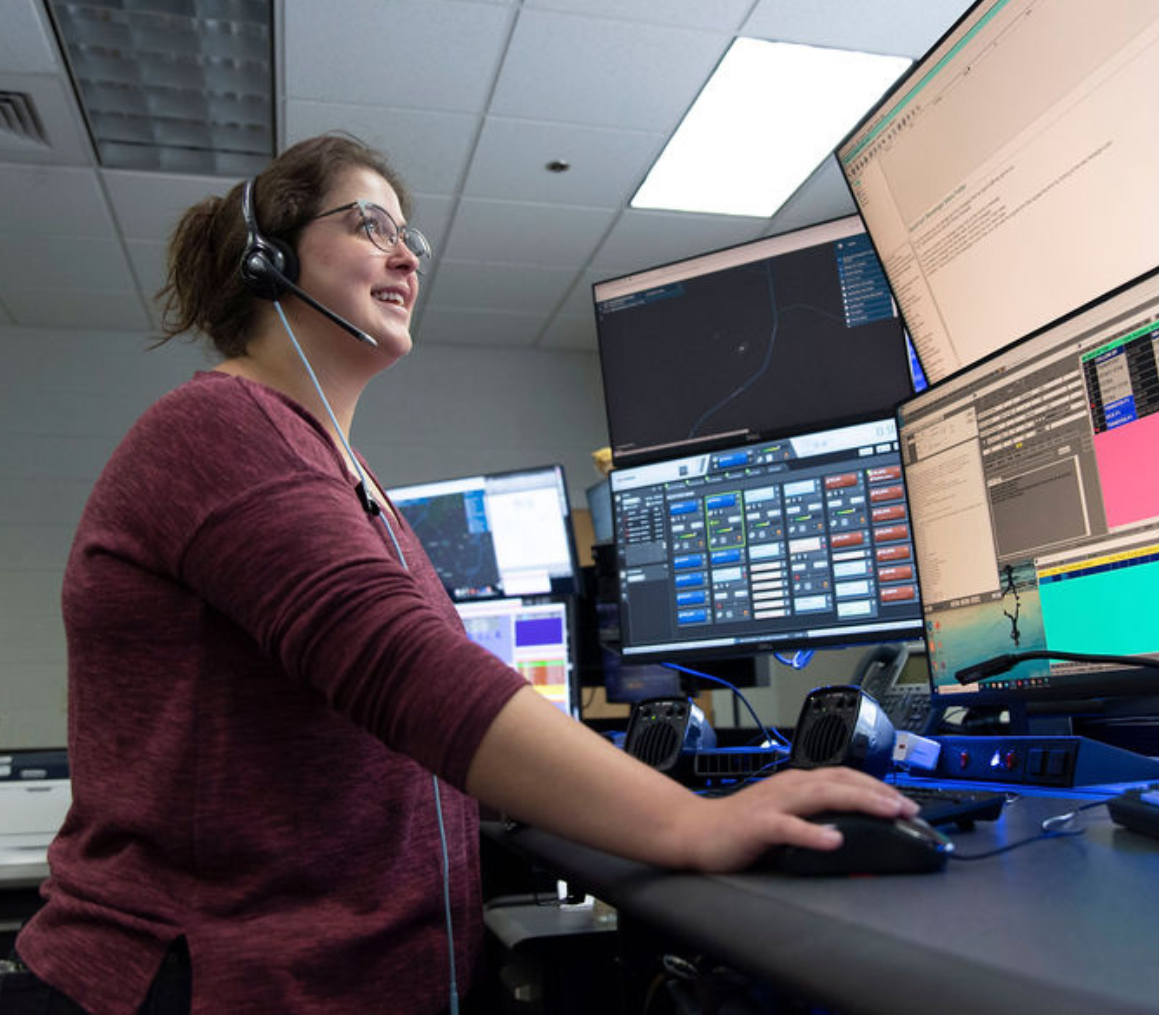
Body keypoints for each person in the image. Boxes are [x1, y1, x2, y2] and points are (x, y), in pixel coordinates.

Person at [7, 134, 917, 1014]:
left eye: (412, 237)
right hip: (210, 976)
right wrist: (692, 823)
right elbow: (407, 671)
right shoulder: (219, 428)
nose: (405, 258)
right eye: (369, 225)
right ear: (267, 259)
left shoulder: (344, 474)